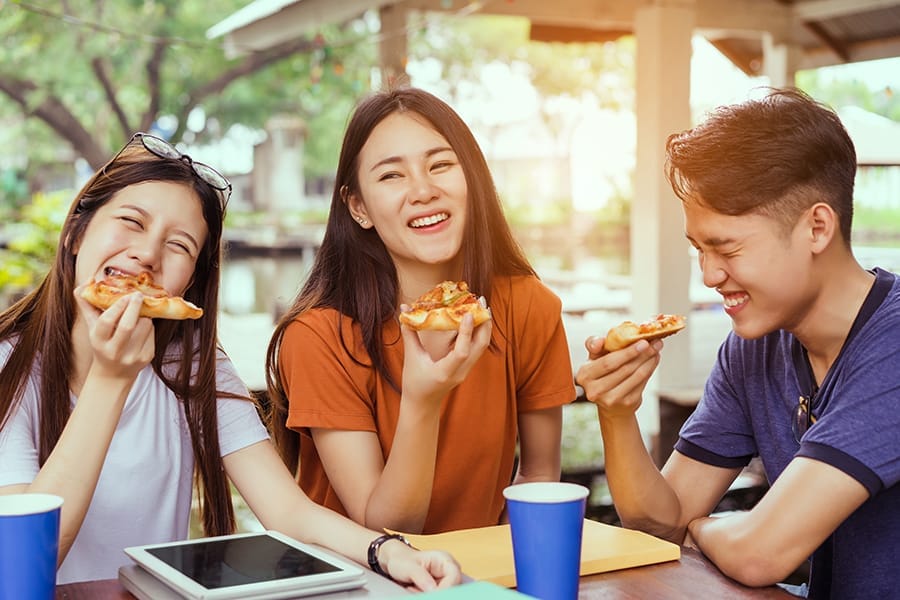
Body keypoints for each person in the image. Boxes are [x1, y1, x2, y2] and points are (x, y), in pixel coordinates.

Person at [0, 132, 461, 589]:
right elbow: (20, 563)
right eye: (131, 222)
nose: (147, 255)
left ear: (190, 281)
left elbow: (288, 512)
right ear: (77, 233)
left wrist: (388, 552)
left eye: (179, 245)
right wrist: (110, 379)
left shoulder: (193, 365)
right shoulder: (9, 365)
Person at [574, 87, 900, 599]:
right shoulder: (756, 347)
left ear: (817, 226)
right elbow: (661, 525)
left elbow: (758, 553)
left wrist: (704, 532)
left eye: (726, 247)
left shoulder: (894, 342)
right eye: (698, 249)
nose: (708, 275)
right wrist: (616, 412)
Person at [265, 86, 576, 535]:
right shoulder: (318, 336)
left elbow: (538, 477)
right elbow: (386, 528)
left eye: (441, 165)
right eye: (392, 176)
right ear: (359, 208)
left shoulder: (529, 307)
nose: (423, 190)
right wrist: (421, 403)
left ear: (473, 179)